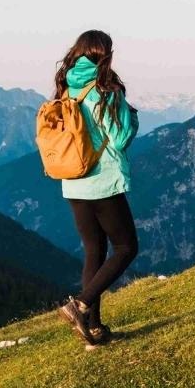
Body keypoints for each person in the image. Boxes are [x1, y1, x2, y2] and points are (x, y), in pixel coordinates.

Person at [54, 30, 140, 346]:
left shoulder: (66, 86)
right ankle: (79, 304)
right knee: (127, 247)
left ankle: (92, 328)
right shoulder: (105, 90)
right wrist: (131, 116)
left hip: (73, 181)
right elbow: (119, 138)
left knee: (94, 250)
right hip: (102, 182)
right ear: (105, 54)